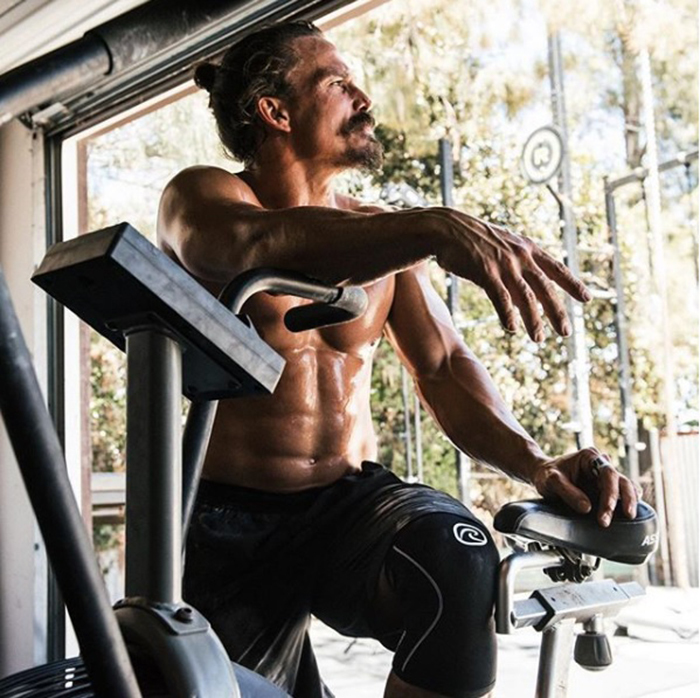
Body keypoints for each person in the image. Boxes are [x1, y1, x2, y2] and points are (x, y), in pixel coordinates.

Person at [157, 20, 639, 698]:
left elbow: (442, 368)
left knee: (457, 557)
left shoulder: (383, 235)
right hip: (228, 519)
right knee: (228, 688)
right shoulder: (203, 196)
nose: (363, 99)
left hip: (345, 505)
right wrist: (432, 226)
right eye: (337, 84)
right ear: (275, 111)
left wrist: (536, 462)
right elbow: (245, 246)